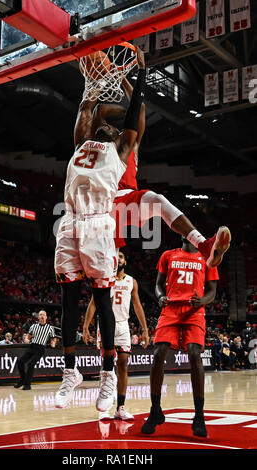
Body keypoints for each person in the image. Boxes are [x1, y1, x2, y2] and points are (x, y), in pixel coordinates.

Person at [54, 48, 147, 413]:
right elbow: (85, 109)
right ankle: (70, 371)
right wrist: (93, 80)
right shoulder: (81, 141)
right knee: (67, 300)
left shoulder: (122, 149)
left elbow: (137, 114)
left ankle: (107, 375)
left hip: (97, 223)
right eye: (103, 123)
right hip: (71, 220)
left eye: (113, 125)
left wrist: (138, 75)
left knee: (102, 299)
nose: (107, 125)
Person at [92, 79, 231, 269]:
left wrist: (122, 79)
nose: (107, 128)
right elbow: (97, 113)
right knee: (107, 271)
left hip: (129, 200)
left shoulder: (130, 147)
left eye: (111, 128)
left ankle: (203, 245)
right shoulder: (94, 151)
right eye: (105, 128)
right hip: (103, 207)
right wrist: (107, 82)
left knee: (156, 199)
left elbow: (139, 108)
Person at [141, 237, 219, 438]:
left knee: (194, 353)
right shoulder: (168, 255)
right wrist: (159, 297)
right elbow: (158, 284)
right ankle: (155, 409)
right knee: (158, 353)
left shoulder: (206, 258)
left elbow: (212, 291)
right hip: (171, 309)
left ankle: (199, 416)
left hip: (194, 310)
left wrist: (201, 301)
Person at [83, 250, 149, 420]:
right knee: (107, 364)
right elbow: (93, 303)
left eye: (121, 256)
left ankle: (120, 407)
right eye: (116, 256)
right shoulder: (104, 279)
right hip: (106, 324)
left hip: (123, 325)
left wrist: (145, 329)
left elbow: (138, 306)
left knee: (123, 364)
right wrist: (85, 327)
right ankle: (105, 405)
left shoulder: (131, 282)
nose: (118, 259)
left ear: (125, 261)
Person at [14, 310, 57, 390]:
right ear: (38, 317)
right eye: (40, 315)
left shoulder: (50, 328)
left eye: (44, 315)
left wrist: (53, 343)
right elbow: (29, 336)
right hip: (32, 346)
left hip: (40, 348)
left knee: (30, 364)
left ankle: (27, 385)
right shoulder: (34, 326)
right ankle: (22, 379)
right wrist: (26, 339)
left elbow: (53, 338)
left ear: (46, 317)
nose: (42, 316)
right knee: (20, 361)